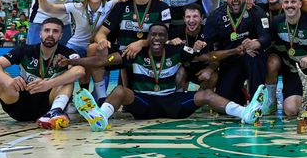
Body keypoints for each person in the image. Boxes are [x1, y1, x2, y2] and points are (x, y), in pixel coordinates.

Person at [70, 23, 266, 131]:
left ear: (166, 38)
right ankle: (101, 118)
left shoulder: (177, 51)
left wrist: (234, 51)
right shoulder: (134, 53)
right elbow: (103, 61)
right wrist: (75, 61)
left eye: (161, 35)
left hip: (172, 101)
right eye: (153, 35)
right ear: (148, 38)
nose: (157, 38)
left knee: (206, 94)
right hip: (144, 102)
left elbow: (208, 57)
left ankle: (245, 113)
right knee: (120, 90)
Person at [200, 0, 270, 104]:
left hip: (252, 56)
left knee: (255, 57)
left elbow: (267, 37)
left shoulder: (256, 11)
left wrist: (257, 43)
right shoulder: (216, 16)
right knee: (225, 103)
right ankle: (241, 93)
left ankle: (257, 102)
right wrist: (211, 66)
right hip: (229, 59)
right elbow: (207, 46)